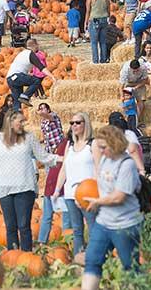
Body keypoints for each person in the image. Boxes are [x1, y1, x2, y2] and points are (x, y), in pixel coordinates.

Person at [0, 111, 63, 251]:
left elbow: (42, 157)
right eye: (20, 121)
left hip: (25, 187)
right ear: (10, 122)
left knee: (24, 226)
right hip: (4, 189)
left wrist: (60, 159)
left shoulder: (29, 138)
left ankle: (26, 255)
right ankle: (13, 256)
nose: (23, 124)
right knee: (10, 226)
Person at [80, 125, 144, 290]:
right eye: (99, 147)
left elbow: (119, 196)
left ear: (115, 143)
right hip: (104, 222)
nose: (100, 150)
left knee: (130, 267)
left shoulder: (127, 165)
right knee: (92, 260)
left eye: (103, 147)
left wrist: (97, 202)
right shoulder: (105, 160)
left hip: (125, 224)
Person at [53, 111, 97, 259]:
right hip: (70, 194)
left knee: (93, 228)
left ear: (85, 124)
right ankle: (79, 259)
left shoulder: (93, 144)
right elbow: (64, 169)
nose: (74, 126)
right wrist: (57, 190)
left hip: (88, 194)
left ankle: (94, 257)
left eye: (78, 122)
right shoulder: (70, 145)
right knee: (77, 230)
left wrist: (97, 191)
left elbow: (98, 169)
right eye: (72, 123)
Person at [36, 102, 71, 245]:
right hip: (51, 155)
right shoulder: (43, 123)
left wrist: (40, 112)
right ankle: (42, 241)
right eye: (40, 108)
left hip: (58, 152)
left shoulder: (53, 117)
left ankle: (67, 240)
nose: (41, 111)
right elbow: (47, 136)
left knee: (65, 209)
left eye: (43, 108)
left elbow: (47, 116)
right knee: (51, 180)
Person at [5, 39, 56, 110]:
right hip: (17, 76)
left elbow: (22, 66)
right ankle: (25, 96)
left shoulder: (22, 53)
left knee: (17, 102)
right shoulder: (31, 54)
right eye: (37, 46)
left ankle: (15, 115)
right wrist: (52, 76)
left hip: (10, 79)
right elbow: (41, 68)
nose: (38, 48)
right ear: (34, 45)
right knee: (37, 81)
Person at [86, 0, 111, 64]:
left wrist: (86, 22)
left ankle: (95, 61)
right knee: (103, 42)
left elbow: (88, 11)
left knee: (94, 42)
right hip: (104, 20)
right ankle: (103, 59)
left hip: (94, 20)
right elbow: (108, 10)